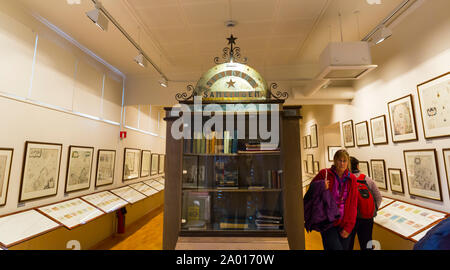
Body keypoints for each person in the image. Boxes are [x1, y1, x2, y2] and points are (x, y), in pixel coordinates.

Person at [310, 149, 358, 250]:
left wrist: (349, 226)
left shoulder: (352, 179)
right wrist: (321, 186)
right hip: (327, 222)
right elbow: (311, 190)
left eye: (344, 161)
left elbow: (353, 204)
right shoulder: (325, 173)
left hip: (344, 222)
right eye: (339, 160)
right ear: (335, 161)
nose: (342, 163)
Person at [348, 156, 382, 250]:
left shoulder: (346, 180)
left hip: (351, 218)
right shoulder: (367, 179)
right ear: (358, 166)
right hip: (367, 218)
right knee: (367, 244)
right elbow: (379, 197)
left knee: (348, 244)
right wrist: (372, 209)